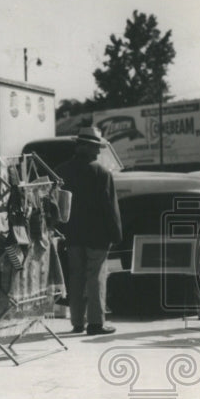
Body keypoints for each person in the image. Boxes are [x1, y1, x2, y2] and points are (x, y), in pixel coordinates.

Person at [56, 126, 123, 336]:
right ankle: (96, 323)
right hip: (97, 235)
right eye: (95, 147)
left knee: (76, 277)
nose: (98, 151)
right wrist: (116, 234)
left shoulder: (61, 171)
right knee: (96, 277)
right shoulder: (101, 173)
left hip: (72, 234)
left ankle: (77, 322)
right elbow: (110, 207)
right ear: (86, 147)